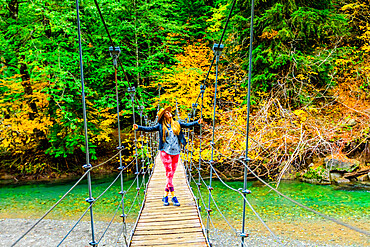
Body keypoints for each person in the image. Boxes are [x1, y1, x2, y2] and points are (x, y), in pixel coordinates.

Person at [133, 106, 202, 206]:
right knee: (169, 173)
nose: (169, 113)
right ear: (163, 116)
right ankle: (173, 197)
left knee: (171, 175)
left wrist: (197, 122)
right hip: (165, 152)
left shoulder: (177, 124)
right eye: (166, 113)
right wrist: (138, 127)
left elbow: (188, 125)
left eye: (168, 112)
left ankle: (165, 196)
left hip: (176, 152)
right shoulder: (160, 125)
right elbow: (150, 128)